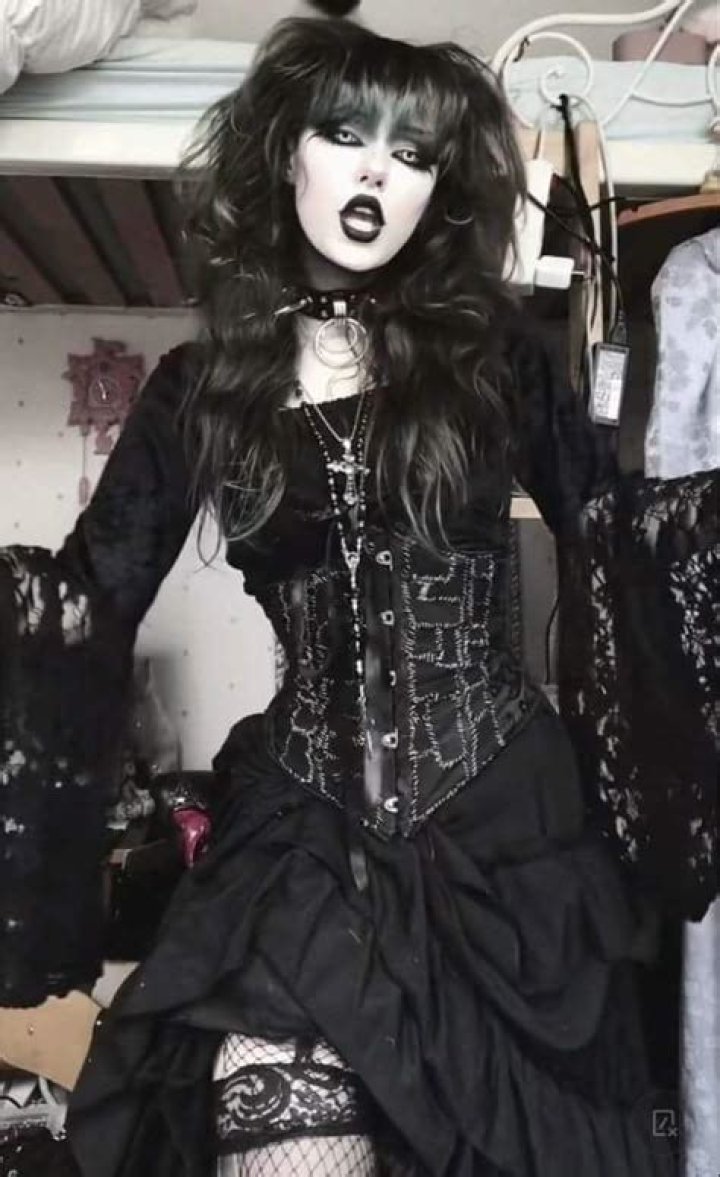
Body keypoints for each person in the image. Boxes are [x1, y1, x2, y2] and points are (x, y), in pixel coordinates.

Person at [1, 11, 699, 1177]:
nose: (378, 171)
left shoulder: (496, 359)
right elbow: (90, 596)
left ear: (436, 191)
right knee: (273, 1114)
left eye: (413, 153)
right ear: (288, 153)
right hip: (304, 841)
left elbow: (621, 539)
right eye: (346, 134)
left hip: (506, 838)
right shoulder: (200, 389)